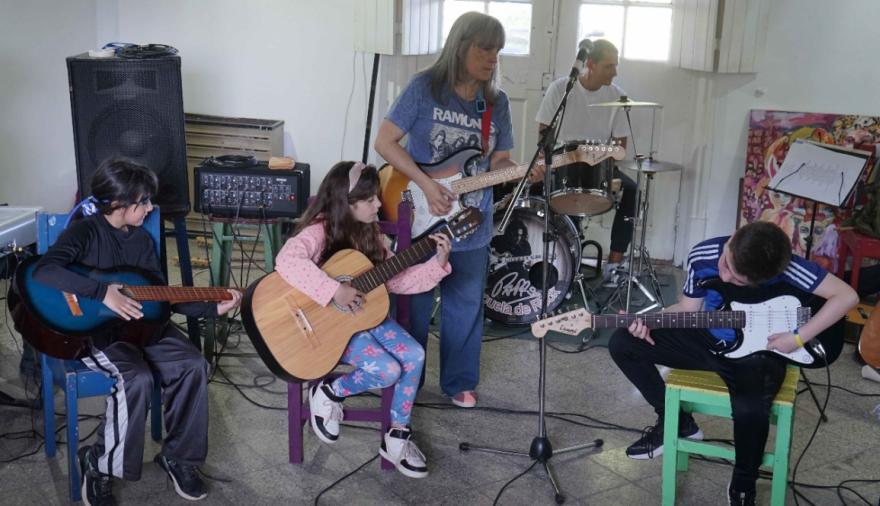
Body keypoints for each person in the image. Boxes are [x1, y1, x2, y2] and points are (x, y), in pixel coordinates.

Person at [32, 158, 242, 505]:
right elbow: (44, 272)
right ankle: (97, 465)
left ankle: (179, 457)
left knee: (192, 364)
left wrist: (209, 308)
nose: (150, 207)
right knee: (137, 378)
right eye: (143, 201)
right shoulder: (85, 231)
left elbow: (160, 298)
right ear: (117, 204)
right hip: (100, 333)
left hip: (146, 327)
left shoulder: (142, 242)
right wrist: (102, 293)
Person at [607, 221, 859, 505]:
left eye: (737, 280)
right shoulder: (703, 254)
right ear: (733, 239)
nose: (725, 276)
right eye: (725, 263)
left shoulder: (788, 266)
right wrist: (647, 322)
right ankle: (676, 422)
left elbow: (847, 296)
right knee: (622, 343)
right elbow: (688, 309)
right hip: (707, 339)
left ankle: (742, 484)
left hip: (758, 352)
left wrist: (798, 337)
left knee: (752, 410)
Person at [375, 11, 537, 408]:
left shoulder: (495, 104)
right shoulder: (424, 88)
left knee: (464, 303)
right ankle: (406, 376)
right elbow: (385, 142)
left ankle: (459, 381)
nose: (492, 58)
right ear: (461, 45)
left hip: (470, 220)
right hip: (419, 213)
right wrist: (427, 184)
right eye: (485, 48)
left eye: (497, 50)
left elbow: (499, 161)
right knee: (411, 300)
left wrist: (521, 173)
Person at [274, 161, 452, 478]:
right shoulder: (319, 232)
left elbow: (398, 280)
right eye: (369, 200)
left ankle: (397, 435)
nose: (379, 205)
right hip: (327, 330)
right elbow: (286, 260)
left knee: (415, 354)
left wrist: (437, 264)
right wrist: (332, 290)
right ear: (347, 202)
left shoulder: (371, 238)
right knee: (387, 369)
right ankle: (330, 392)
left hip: (365, 320)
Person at [535, 39, 637, 283]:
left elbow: (620, 145)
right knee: (534, 190)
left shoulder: (618, 95)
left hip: (600, 167)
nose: (615, 72)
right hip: (562, 163)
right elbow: (543, 134)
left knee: (633, 190)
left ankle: (614, 263)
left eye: (616, 65)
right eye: (609, 66)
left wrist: (605, 159)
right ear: (590, 64)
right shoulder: (561, 89)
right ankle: (548, 259)